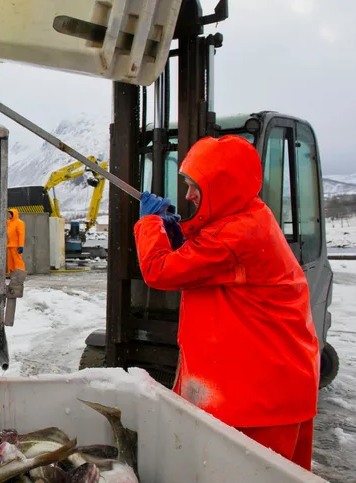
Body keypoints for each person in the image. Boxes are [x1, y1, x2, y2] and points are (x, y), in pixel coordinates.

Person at [134, 135, 319, 471]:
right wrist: (180, 236)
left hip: (258, 401)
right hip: (272, 388)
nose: (188, 195)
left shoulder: (236, 237)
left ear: (220, 186)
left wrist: (149, 224)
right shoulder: (248, 217)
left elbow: (159, 271)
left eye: (194, 187)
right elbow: (210, 250)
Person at [6, 208, 26, 275]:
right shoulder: (8, 222)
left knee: (17, 261)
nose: (8, 215)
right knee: (10, 261)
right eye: (8, 214)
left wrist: (21, 246)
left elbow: (21, 235)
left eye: (10, 214)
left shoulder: (20, 223)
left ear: (13, 214)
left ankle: (20, 274)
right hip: (9, 245)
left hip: (16, 246)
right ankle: (11, 274)